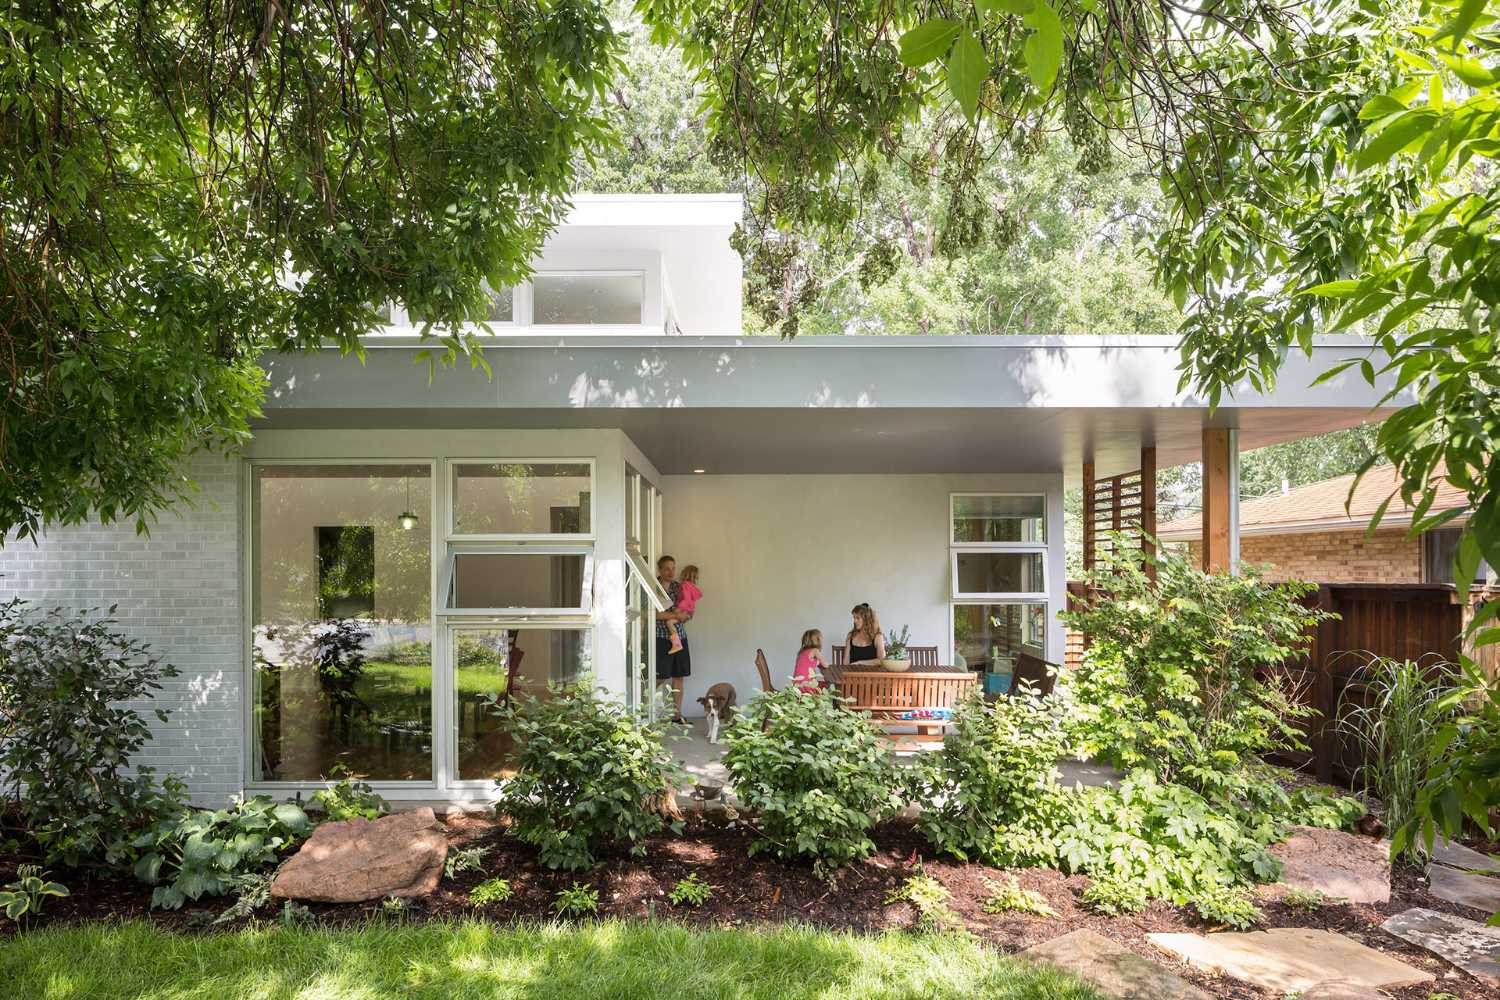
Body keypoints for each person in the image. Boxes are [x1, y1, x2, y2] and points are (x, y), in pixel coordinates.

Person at [654, 555, 692, 723]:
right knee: (660, 676)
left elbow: (688, 612)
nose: (671, 572)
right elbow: (651, 614)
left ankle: (676, 715)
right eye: (667, 569)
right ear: (660, 570)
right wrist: (673, 615)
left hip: (680, 637)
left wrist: (682, 615)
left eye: (673, 568)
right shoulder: (653, 587)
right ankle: (641, 708)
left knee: (678, 676)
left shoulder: (679, 587)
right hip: (661, 637)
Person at [667, 564, 702, 653]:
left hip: (684, 610)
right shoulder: (691, 586)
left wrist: (678, 609)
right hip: (689, 612)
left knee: (669, 622)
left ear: (685, 574)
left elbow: (686, 599)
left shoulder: (685, 585)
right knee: (671, 622)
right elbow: (693, 599)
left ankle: (676, 644)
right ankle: (677, 644)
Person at [793, 628, 829, 693]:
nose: (823, 639)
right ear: (817, 640)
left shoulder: (802, 652)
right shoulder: (815, 650)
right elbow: (826, 665)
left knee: (821, 684)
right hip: (806, 685)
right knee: (828, 686)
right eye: (821, 638)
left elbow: (807, 664)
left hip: (796, 684)